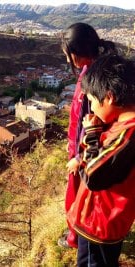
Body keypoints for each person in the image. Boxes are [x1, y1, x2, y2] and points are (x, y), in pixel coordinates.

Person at [67, 54, 135, 267]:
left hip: (101, 225)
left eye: (92, 100)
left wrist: (93, 133)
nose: (92, 108)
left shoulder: (127, 135)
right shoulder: (122, 124)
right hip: (99, 221)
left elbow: (93, 176)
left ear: (110, 97)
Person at [58, 22, 118, 248]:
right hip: (80, 145)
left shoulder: (94, 78)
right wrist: (71, 144)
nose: (67, 60)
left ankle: (76, 236)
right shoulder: (92, 70)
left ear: (78, 52)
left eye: (68, 54)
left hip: (87, 151)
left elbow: (96, 122)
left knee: (79, 195)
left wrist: (79, 156)